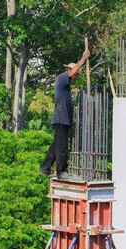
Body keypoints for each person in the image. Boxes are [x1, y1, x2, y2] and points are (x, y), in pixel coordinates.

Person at [39, 49, 90, 180]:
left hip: (63, 119)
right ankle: (61, 172)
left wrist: (76, 91)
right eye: (75, 75)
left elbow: (69, 91)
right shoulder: (62, 77)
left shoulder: (65, 86)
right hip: (61, 118)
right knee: (61, 146)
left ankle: (45, 168)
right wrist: (83, 59)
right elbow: (73, 71)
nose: (75, 77)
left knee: (56, 144)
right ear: (70, 72)